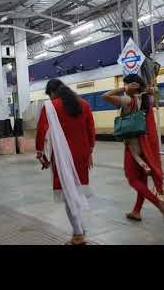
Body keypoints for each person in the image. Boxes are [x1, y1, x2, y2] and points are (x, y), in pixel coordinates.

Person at [102, 73, 164, 225]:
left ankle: (159, 204)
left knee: (132, 179)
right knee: (142, 179)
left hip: (133, 145)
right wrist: (146, 89)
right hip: (146, 144)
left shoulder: (127, 100)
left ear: (132, 86)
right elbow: (155, 93)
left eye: (127, 84)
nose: (125, 87)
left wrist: (122, 88)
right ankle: (136, 212)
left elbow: (104, 96)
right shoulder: (146, 99)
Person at [36, 79, 96, 245]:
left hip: (62, 157)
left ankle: (78, 235)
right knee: (75, 191)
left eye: (50, 95)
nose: (50, 98)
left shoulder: (50, 107)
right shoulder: (83, 104)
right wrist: (89, 151)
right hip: (82, 154)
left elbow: (41, 132)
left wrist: (41, 155)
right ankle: (80, 228)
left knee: (69, 194)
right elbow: (91, 130)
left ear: (53, 92)